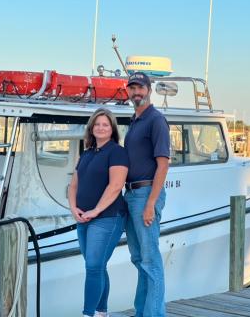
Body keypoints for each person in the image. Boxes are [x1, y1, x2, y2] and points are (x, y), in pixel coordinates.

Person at [68, 108, 129, 317]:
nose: (100, 128)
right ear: (91, 128)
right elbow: (73, 185)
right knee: (97, 266)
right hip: (83, 217)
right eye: (97, 124)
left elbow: (115, 186)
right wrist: (73, 208)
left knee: (93, 266)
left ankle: (88, 313)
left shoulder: (117, 152)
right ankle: (102, 312)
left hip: (107, 217)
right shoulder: (86, 154)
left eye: (105, 124)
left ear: (112, 129)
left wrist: (95, 211)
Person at [124, 72, 170, 317]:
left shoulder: (156, 120)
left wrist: (151, 203)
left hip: (146, 194)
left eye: (140, 88)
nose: (136, 92)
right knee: (139, 259)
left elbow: (163, 164)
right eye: (132, 88)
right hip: (131, 195)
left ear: (149, 90)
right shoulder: (135, 120)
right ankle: (142, 312)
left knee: (150, 262)